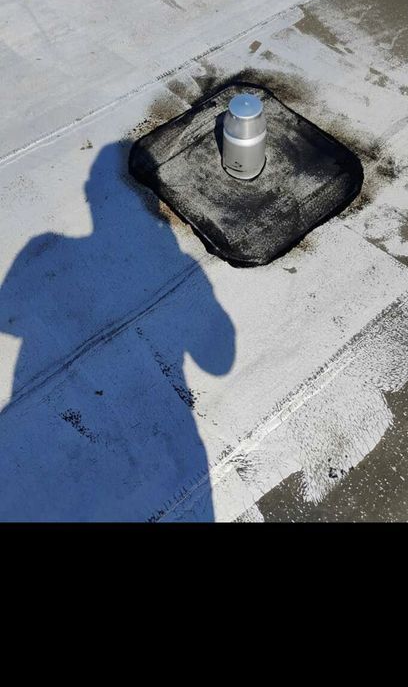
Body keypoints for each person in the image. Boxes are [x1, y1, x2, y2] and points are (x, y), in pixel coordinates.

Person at [0, 141, 235, 521]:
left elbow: (7, 314)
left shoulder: (44, 247)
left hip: (45, 465)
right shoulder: (175, 262)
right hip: (160, 460)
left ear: (91, 200)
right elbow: (220, 361)